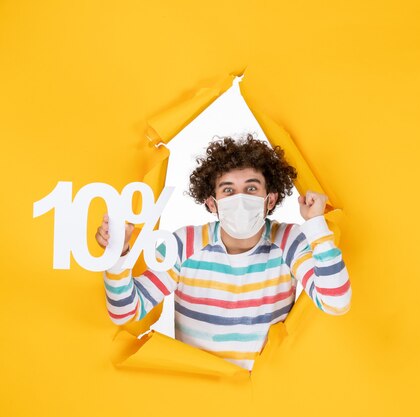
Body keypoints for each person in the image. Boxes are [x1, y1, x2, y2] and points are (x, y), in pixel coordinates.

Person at [96, 135, 352, 370]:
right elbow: (125, 311)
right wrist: (119, 255)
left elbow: (336, 301)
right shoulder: (184, 243)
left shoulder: (289, 240)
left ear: (270, 199)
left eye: (251, 188)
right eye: (228, 190)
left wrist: (316, 224)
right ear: (212, 202)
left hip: (265, 397)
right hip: (201, 394)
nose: (240, 199)